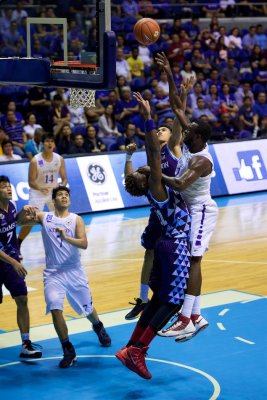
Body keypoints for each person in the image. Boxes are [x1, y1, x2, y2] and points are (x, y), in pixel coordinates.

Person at [127, 52, 218, 342]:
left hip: (197, 208)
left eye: (189, 128)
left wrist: (154, 174)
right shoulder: (190, 144)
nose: (184, 125)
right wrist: (169, 72)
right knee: (162, 253)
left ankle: (187, 317)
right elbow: (178, 105)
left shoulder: (200, 157)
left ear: (196, 137)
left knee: (194, 260)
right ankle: (195, 314)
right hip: (178, 210)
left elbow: (178, 183)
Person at [116, 92, 191, 380]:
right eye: (143, 171)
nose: (145, 168)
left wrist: (178, 97)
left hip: (165, 243)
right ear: (149, 178)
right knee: (172, 302)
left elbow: (176, 130)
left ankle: (130, 347)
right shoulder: (157, 184)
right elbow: (152, 152)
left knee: (160, 300)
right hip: (174, 244)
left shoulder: (154, 182)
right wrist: (147, 117)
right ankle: (138, 351)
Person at [25, 186, 111, 368]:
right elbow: (19, 221)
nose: (64, 197)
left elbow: (84, 244)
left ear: (69, 201)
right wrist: (24, 210)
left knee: (88, 309)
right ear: (54, 200)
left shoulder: (76, 219)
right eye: (60, 195)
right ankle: (68, 349)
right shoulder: (45, 217)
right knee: (55, 308)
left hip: (74, 271)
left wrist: (66, 238)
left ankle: (98, 326)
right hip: (53, 273)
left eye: (66, 195)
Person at [0, 175, 42, 359]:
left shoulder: (13, 205)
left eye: (9, 186)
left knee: (22, 299)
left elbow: (13, 223)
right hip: (9, 262)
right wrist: (15, 261)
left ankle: (25, 344)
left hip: (11, 262)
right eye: (3, 187)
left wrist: (23, 214)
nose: (9, 189)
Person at [18, 133, 67, 250]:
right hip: (37, 193)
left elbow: (64, 179)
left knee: (61, 219)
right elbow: (31, 182)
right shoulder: (35, 160)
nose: (50, 143)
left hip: (53, 193)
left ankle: (65, 245)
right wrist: (40, 188)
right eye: (47, 141)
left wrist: (61, 188)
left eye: (52, 141)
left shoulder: (59, 159)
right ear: (42, 144)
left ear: (54, 144)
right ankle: (17, 243)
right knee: (30, 220)